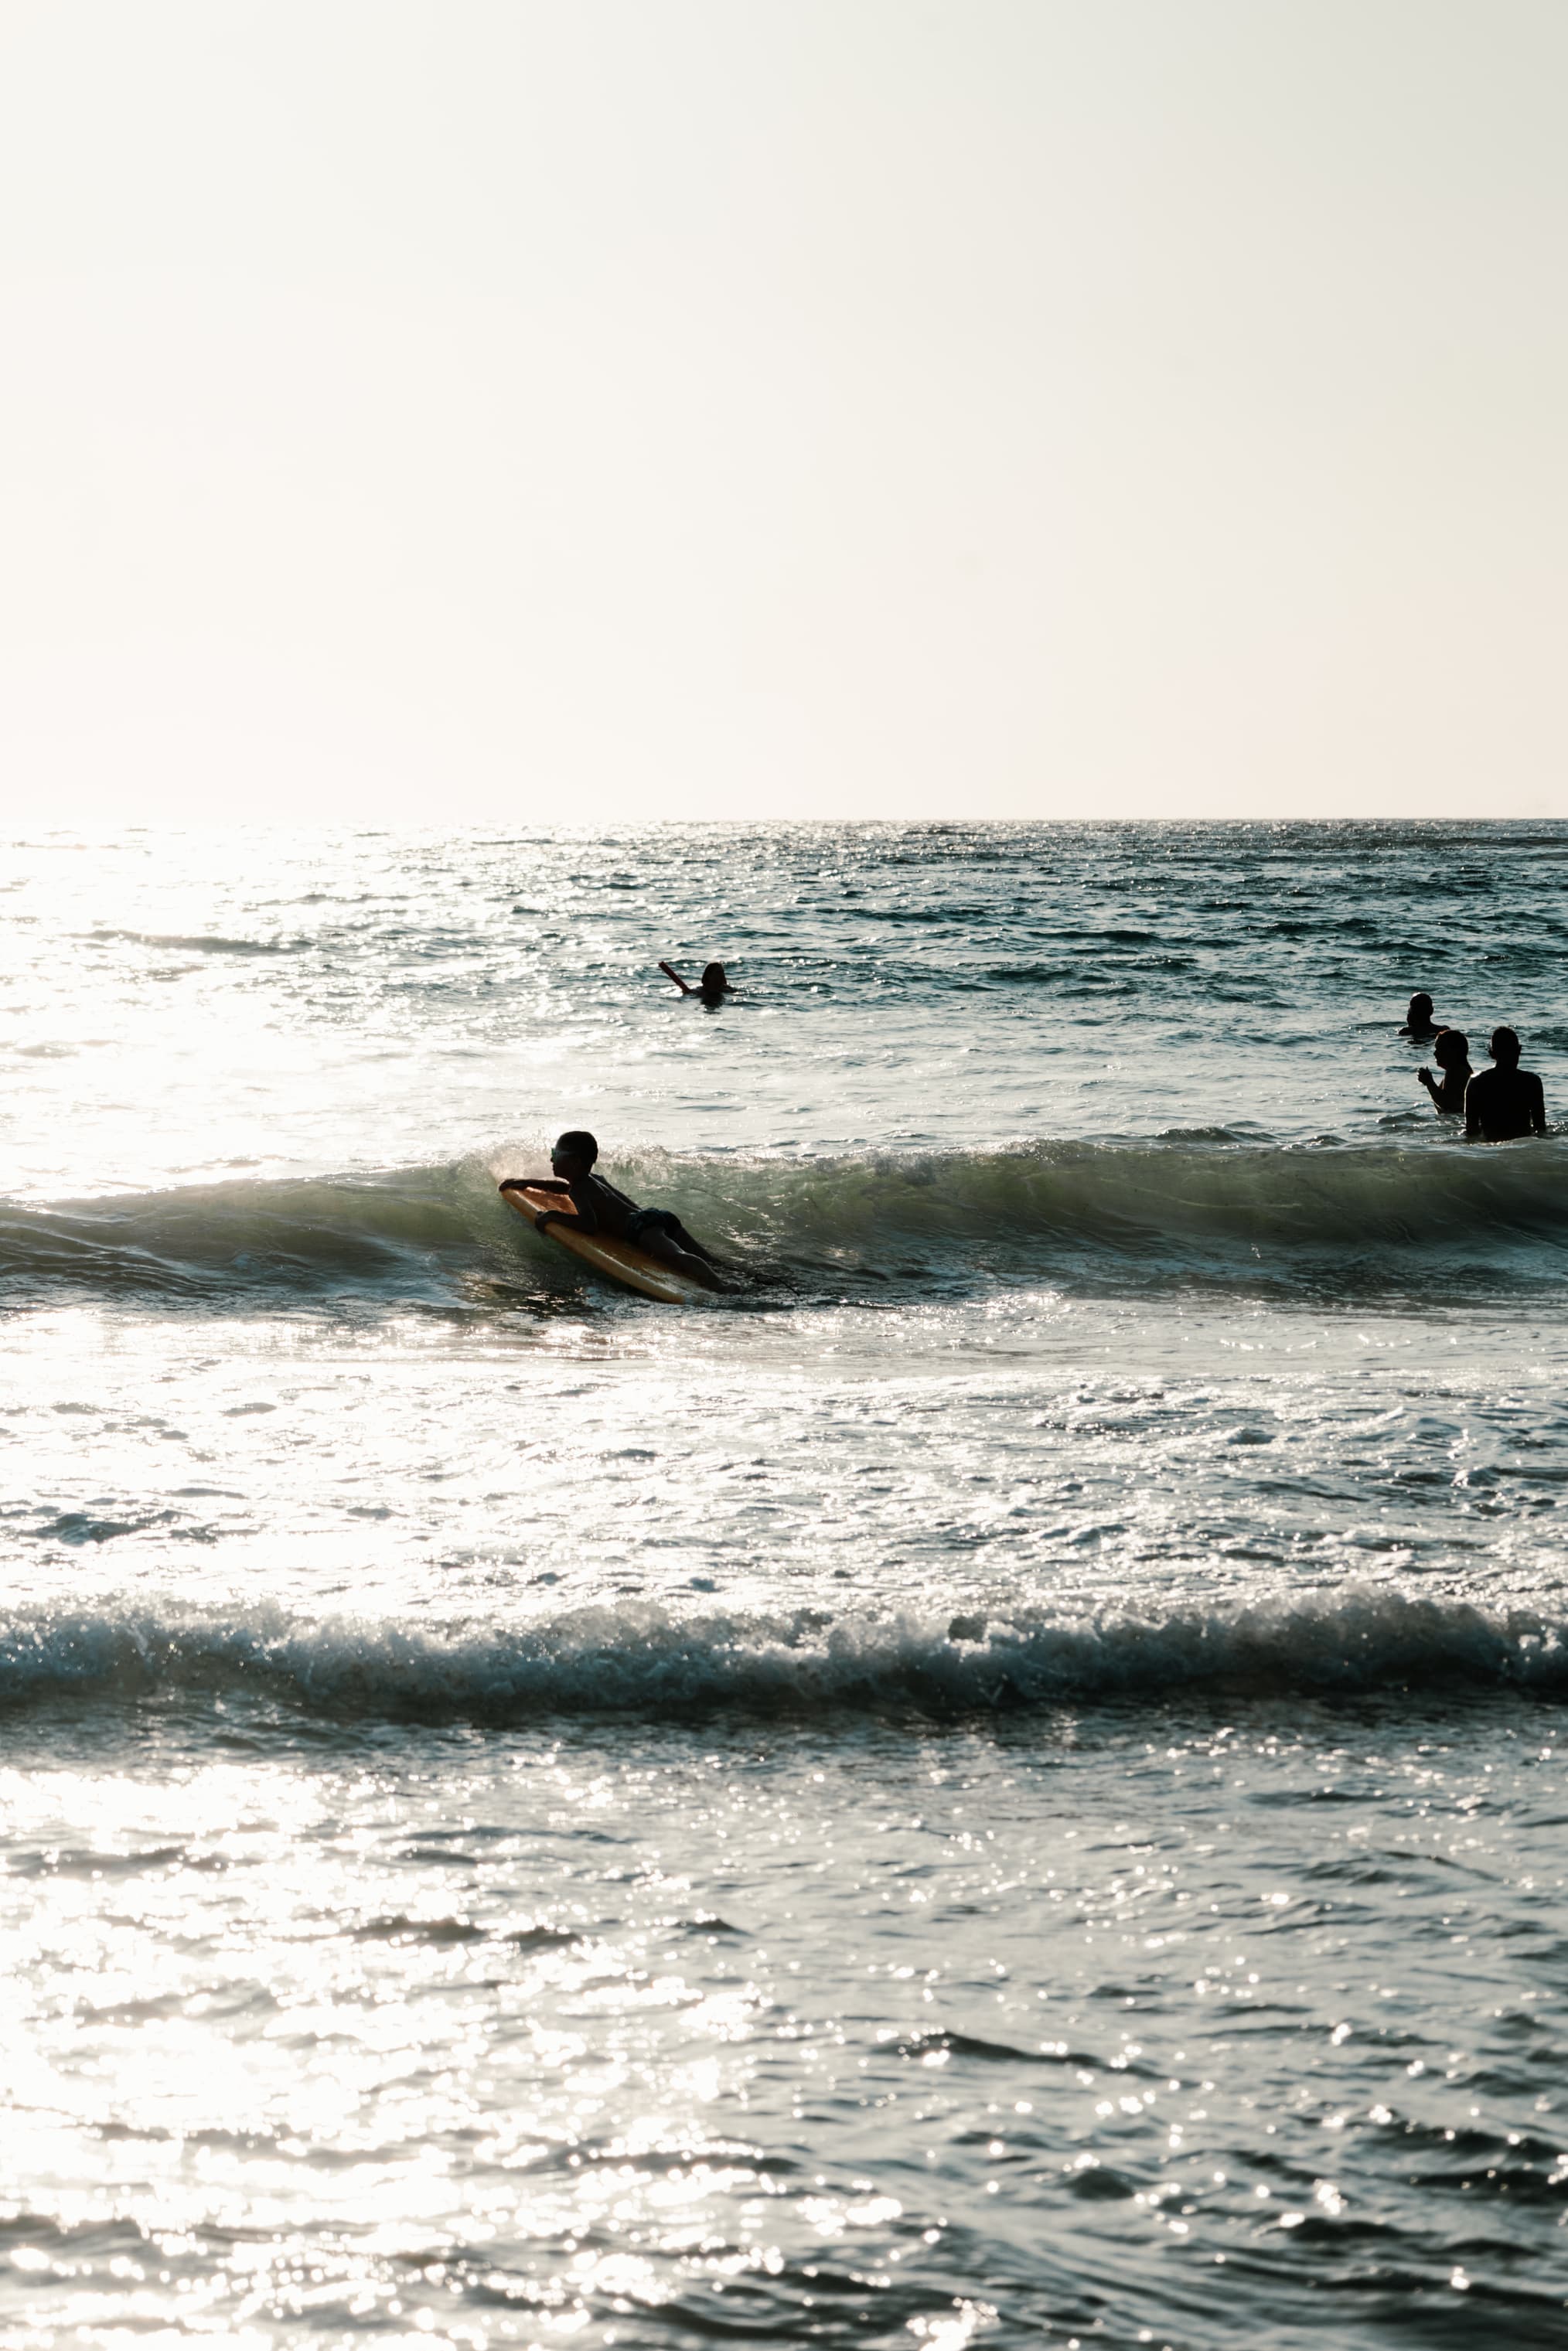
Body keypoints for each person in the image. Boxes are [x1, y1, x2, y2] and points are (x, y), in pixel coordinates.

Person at [500, 1131, 728, 1288]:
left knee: (677, 1256)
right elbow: (565, 1189)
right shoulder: (592, 1180)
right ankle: (741, 1275)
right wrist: (529, 1183)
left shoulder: (580, 1189)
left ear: (575, 1162)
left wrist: (552, 1216)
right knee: (707, 1259)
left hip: (639, 1229)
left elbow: (589, 1225)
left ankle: (723, 1288)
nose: (551, 1159)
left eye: (556, 1154)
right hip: (655, 1216)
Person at [1464, 1027, 1547, 1142]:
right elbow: (1540, 1128)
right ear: (1519, 1050)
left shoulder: (1477, 1081)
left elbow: (1471, 1129)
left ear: (1491, 1054)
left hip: (1489, 1148)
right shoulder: (1531, 1082)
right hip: (1523, 1146)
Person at [1416, 1028, 1471, 1115]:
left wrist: (1429, 1082)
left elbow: (1447, 1104)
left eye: (1440, 1049)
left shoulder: (1456, 1071)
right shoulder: (1462, 1070)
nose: (1435, 1053)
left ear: (1453, 1051)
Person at [659, 959, 736, 1003]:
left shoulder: (728, 989)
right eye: (718, 973)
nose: (721, 975)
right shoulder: (698, 992)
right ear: (709, 975)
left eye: (722, 972)